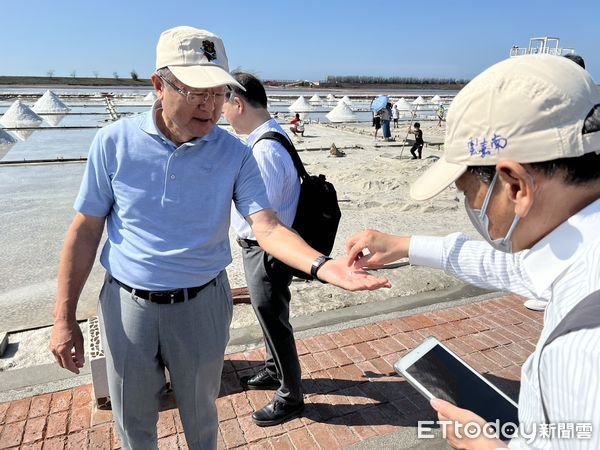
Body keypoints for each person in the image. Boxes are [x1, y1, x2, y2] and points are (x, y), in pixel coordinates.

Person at [49, 26, 390, 450]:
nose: (211, 107)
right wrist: (64, 316)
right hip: (126, 305)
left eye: (218, 93)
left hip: (202, 306)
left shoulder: (235, 153)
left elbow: (266, 226)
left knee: (201, 415)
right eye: (196, 91)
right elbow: (85, 231)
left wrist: (322, 265)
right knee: (132, 419)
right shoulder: (113, 143)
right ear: (159, 84)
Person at [346, 54, 600, 449]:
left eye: (468, 193)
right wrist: (404, 246)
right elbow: (520, 268)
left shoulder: (583, 348)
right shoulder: (578, 247)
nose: (472, 210)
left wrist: (483, 444)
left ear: (515, 186)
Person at [222, 72, 304, 426]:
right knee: (267, 314)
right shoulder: (268, 136)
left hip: (266, 250)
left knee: (274, 319)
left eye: (223, 104)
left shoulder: (265, 148)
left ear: (237, 104)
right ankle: (274, 370)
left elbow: (261, 215)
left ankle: (291, 395)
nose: (222, 113)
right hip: (262, 248)